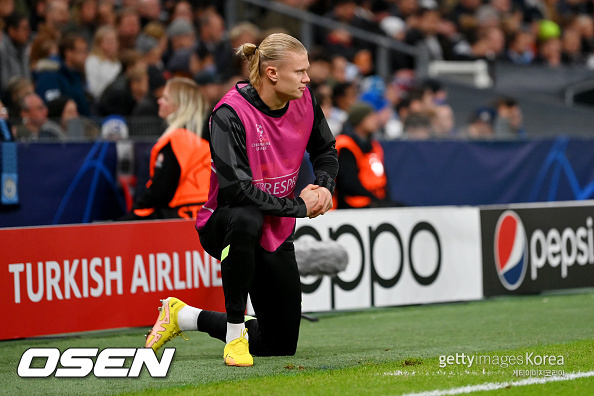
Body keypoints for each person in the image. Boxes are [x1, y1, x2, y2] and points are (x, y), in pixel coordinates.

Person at [144, 33, 338, 367]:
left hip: (275, 227)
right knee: (247, 216)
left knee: (279, 344)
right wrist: (299, 208)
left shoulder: (305, 101)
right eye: (300, 72)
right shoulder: (228, 114)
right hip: (225, 221)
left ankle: (183, 315)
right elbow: (237, 191)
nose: (308, 79)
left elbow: (325, 150)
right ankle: (234, 335)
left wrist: (323, 187)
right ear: (272, 73)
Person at [120, 77, 211, 220]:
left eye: (165, 98)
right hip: (205, 217)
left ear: (179, 105)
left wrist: (132, 215)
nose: (159, 101)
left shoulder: (174, 141)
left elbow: (158, 192)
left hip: (178, 218)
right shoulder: (208, 139)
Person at [334, 102, 401, 208]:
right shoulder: (345, 145)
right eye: (371, 117)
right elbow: (349, 184)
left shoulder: (374, 145)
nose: (375, 120)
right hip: (353, 203)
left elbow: (383, 177)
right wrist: (375, 199)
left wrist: (384, 200)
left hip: (374, 199)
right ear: (359, 121)